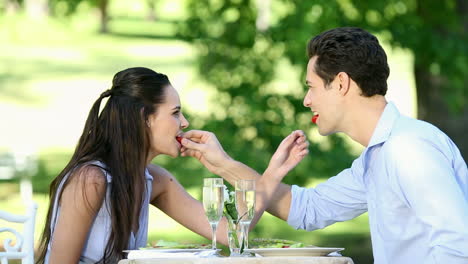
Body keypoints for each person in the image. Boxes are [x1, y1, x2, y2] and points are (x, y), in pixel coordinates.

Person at [180, 27, 468, 264]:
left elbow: (459, 246)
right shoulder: (377, 156)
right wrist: (223, 165)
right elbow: (308, 210)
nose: (307, 100)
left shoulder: (408, 149)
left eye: (311, 86)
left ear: (341, 83)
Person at [35, 67, 307, 264]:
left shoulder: (155, 179)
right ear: (145, 119)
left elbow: (231, 233)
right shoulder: (91, 179)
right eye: (175, 113)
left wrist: (272, 174)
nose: (185, 122)